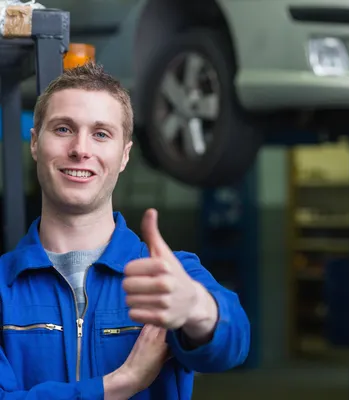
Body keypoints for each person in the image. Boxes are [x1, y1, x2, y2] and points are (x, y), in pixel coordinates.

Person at [0, 62, 251, 399]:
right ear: (34, 142)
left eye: (101, 133)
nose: (81, 149)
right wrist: (121, 383)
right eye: (63, 129)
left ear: (124, 155)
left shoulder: (167, 276)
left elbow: (232, 345)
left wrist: (196, 306)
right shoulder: (3, 287)